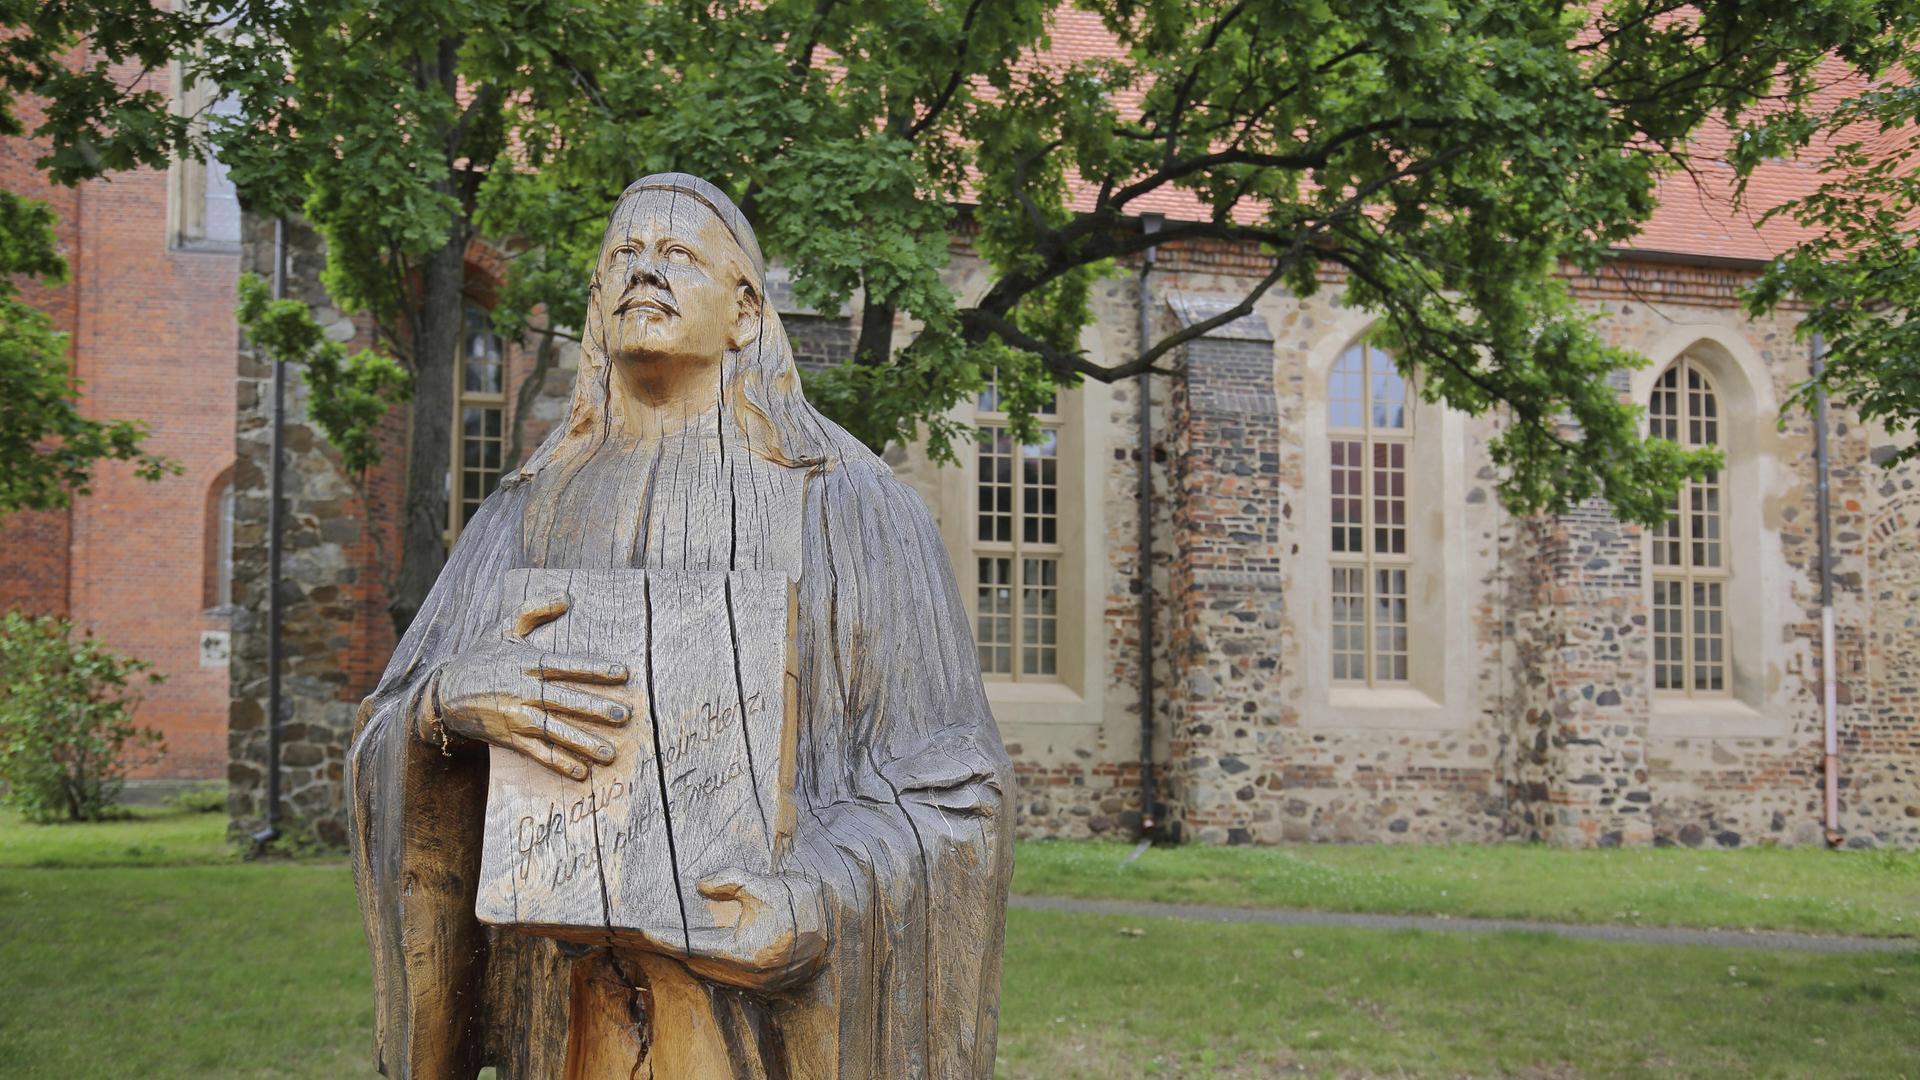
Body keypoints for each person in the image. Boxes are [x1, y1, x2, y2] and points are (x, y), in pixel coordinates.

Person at [349, 174, 1012, 1079]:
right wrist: (441, 707)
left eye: (680, 255)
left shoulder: (852, 508)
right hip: (570, 1020)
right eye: (623, 253)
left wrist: (819, 899)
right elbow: (388, 731)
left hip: (759, 1035)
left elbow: (958, 794)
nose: (644, 271)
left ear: (746, 312)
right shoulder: (523, 513)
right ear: (594, 303)